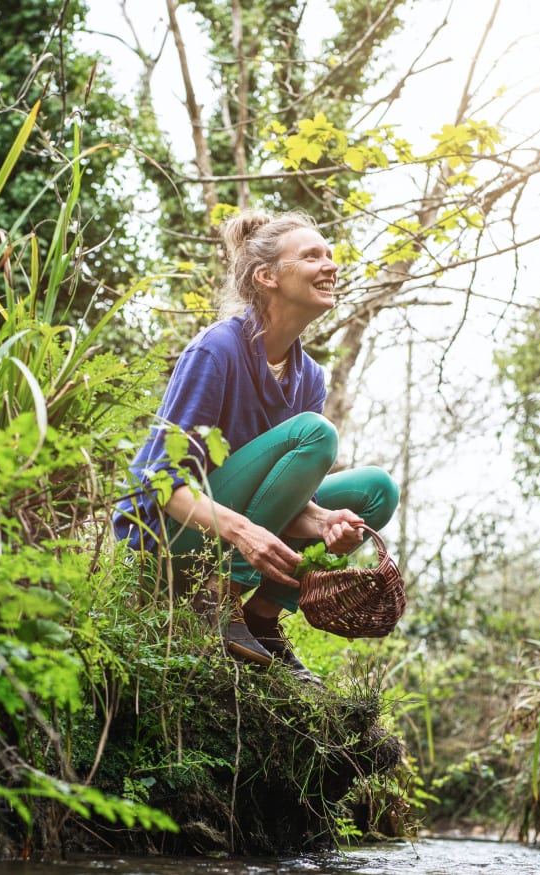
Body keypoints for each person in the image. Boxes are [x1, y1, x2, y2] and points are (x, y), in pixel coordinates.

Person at [113, 208, 400, 682]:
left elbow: (287, 499)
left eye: (330, 255)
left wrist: (326, 524)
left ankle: (262, 619)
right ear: (267, 276)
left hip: (223, 540)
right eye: (312, 256)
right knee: (317, 433)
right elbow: (161, 484)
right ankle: (218, 598)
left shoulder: (309, 378)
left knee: (377, 490)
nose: (330, 265)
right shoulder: (217, 350)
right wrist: (244, 532)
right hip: (165, 545)